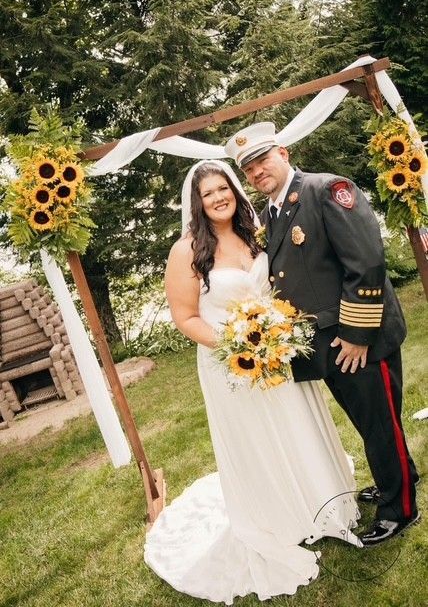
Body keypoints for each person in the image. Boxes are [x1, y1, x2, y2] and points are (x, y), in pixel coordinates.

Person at [144, 159, 362, 605]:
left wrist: (275, 337)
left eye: (223, 188)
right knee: (256, 437)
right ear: (197, 203)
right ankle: (277, 517)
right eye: (208, 194)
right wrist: (237, 346)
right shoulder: (186, 251)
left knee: (296, 423)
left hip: (278, 353)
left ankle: (319, 500)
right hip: (231, 365)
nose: (218, 198)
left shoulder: (256, 232)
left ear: (234, 190)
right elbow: (185, 317)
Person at [225, 122, 420, 546]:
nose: (257, 172)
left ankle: (400, 508)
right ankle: (399, 478)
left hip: (359, 340)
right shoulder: (272, 212)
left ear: (283, 153)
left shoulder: (327, 189)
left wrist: (357, 334)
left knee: (380, 426)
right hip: (328, 344)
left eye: (262, 160)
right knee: (371, 424)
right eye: (249, 169)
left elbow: (366, 262)